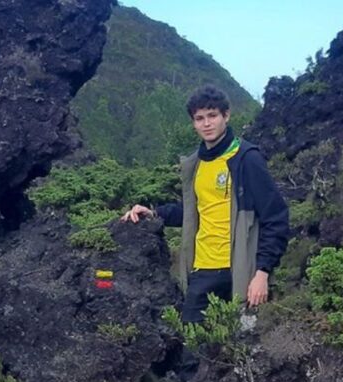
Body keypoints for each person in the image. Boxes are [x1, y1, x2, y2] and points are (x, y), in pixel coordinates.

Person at [121, 84, 289, 328]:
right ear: (193, 123)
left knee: (235, 352)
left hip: (238, 270)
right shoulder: (196, 164)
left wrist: (262, 273)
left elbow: (276, 216)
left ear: (226, 116)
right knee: (193, 348)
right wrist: (154, 213)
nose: (206, 123)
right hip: (202, 269)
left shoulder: (246, 158)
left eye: (212, 116)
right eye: (199, 118)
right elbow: (194, 211)